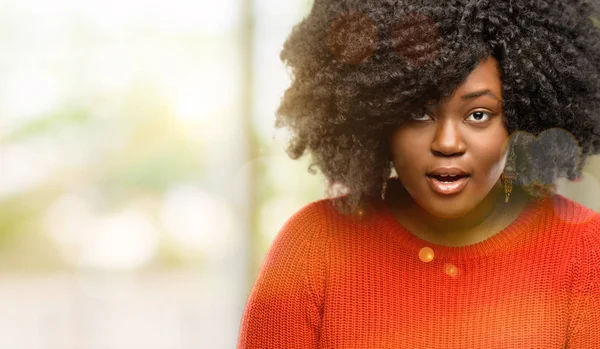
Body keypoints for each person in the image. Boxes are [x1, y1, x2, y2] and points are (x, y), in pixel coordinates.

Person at [238, 0, 600, 347]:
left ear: (522, 118)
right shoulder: (314, 247)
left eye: (478, 115)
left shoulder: (585, 252)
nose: (446, 143)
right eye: (417, 114)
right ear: (378, 118)